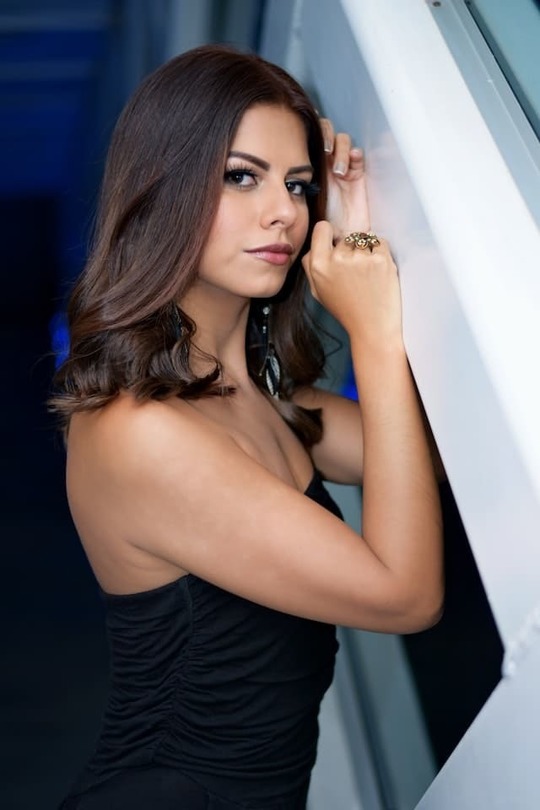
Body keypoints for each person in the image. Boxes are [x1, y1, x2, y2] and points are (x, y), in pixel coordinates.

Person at [52, 44, 443, 810]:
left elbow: (422, 460)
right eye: (241, 176)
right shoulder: (142, 432)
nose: (284, 213)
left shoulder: (262, 397)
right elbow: (407, 597)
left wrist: (359, 235)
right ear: (163, 188)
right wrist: (372, 332)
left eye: (298, 185)